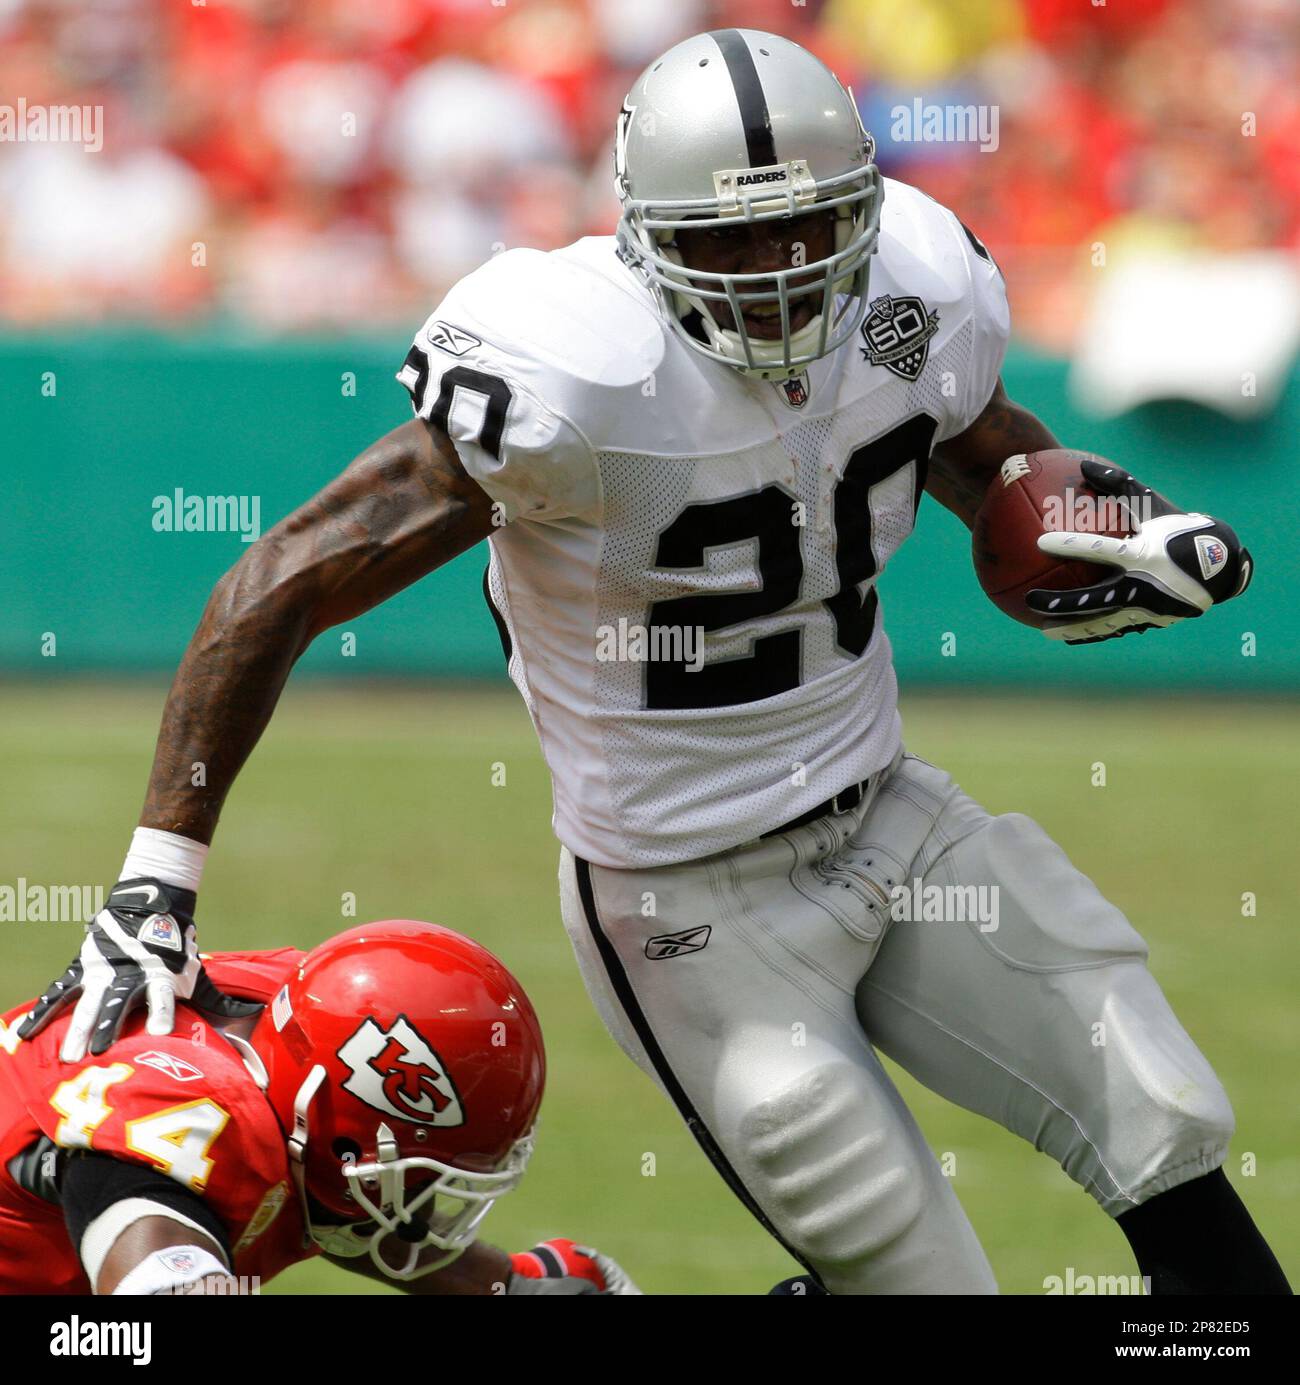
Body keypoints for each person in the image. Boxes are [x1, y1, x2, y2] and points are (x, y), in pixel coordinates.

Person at [20, 29, 1285, 1294]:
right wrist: (155, 882)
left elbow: (980, 454)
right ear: (640, 237)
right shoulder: (570, 370)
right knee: (919, 1279)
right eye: (725, 240)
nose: (775, 271)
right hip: (688, 906)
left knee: (1154, 1107)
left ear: (860, 207)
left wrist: (1106, 530)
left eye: (804, 227)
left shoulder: (915, 286)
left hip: (892, 815)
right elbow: (280, 579)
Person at [1, 918, 636, 1295]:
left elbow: (326, 1202)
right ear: (342, 1142)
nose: (415, 1203)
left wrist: (515, 1284)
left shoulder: (295, 1024)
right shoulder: (190, 1121)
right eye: (416, 1176)